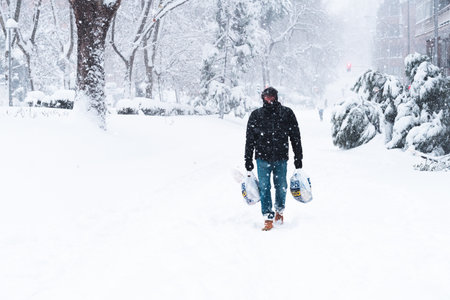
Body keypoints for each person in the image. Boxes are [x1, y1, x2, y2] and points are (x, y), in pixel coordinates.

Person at [244, 87, 303, 231]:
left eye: (271, 97)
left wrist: (298, 156)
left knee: (281, 187)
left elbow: (295, 137)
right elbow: (250, 139)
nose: (269, 99)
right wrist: (248, 158)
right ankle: (267, 217)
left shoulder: (287, 113)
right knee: (264, 188)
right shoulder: (256, 115)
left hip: (281, 158)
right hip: (262, 159)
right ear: (262, 98)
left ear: (276, 97)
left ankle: (279, 211)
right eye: (266, 97)